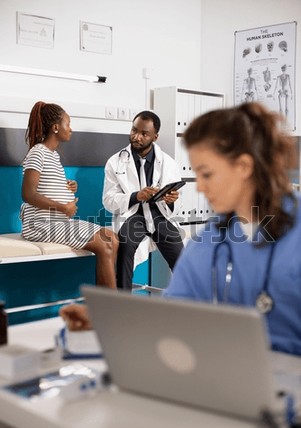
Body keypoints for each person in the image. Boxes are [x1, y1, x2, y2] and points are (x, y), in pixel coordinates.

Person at [60, 102, 301, 358]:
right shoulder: (209, 241)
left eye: (206, 174)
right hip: (235, 368)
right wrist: (108, 326)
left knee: (171, 245)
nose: (199, 187)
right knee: (127, 242)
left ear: (243, 167)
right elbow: (175, 314)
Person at [21, 101, 118, 287]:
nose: (71, 129)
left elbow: (43, 183)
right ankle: (109, 309)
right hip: (41, 223)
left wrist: (66, 186)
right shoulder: (37, 153)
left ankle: (105, 304)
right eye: (68, 124)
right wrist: (63, 206)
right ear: (56, 127)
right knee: (104, 244)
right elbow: (28, 194)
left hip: (58, 221)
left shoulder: (53, 155)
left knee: (112, 238)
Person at [103, 110, 184, 289]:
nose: (136, 137)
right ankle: (123, 302)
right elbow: (108, 201)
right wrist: (136, 196)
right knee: (125, 246)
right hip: (133, 215)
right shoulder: (114, 162)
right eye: (134, 130)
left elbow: (178, 205)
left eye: (144, 133)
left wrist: (171, 200)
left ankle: (188, 303)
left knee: (180, 257)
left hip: (159, 215)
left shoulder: (169, 163)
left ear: (155, 136)